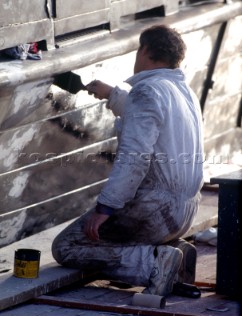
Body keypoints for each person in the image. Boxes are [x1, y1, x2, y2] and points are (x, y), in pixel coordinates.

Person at [52, 24, 204, 297]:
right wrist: (113, 95)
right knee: (103, 241)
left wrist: (106, 208)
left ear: (145, 50)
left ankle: (154, 265)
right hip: (185, 210)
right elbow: (155, 124)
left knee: (68, 246)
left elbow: (135, 158)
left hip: (155, 208)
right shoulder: (184, 93)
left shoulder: (146, 92)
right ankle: (174, 251)